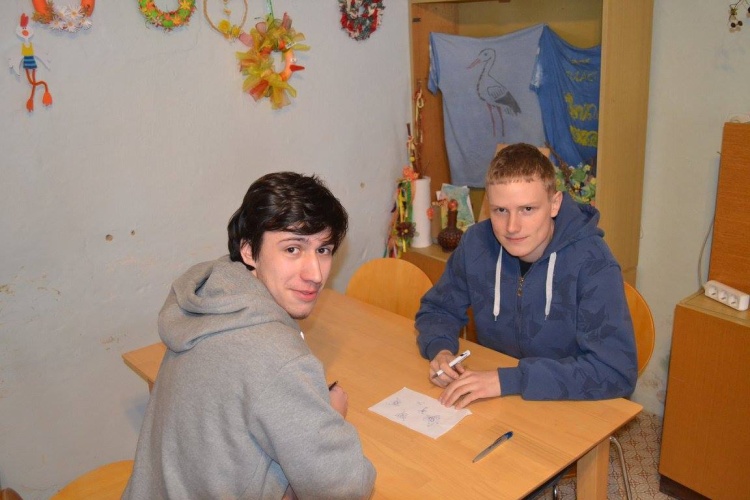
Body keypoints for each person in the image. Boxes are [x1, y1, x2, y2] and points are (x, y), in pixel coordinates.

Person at [124, 172, 376, 500]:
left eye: (323, 249)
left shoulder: (214, 298)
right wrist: (334, 417)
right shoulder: (277, 357)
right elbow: (346, 489)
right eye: (292, 249)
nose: (315, 274)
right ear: (248, 251)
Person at [416, 143, 637, 408]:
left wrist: (510, 380)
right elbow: (438, 309)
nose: (512, 227)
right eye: (500, 210)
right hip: (501, 401)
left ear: (554, 204)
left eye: (527, 209)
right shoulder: (476, 244)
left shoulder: (593, 262)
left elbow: (616, 371)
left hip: (571, 403)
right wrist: (440, 350)